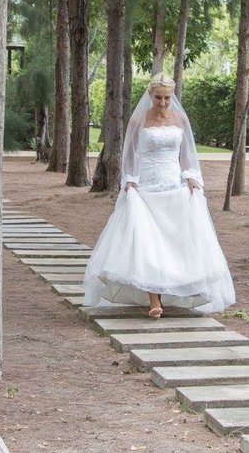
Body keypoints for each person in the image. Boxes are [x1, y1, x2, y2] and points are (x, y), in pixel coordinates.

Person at [83, 74, 236, 317]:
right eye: (158, 98)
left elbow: (186, 152)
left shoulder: (180, 118)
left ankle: (179, 287)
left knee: (175, 240)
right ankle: (155, 301)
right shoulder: (138, 119)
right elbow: (130, 153)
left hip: (172, 183)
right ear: (150, 95)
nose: (163, 103)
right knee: (147, 241)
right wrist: (130, 180)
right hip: (147, 185)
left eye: (167, 98)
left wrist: (190, 176)